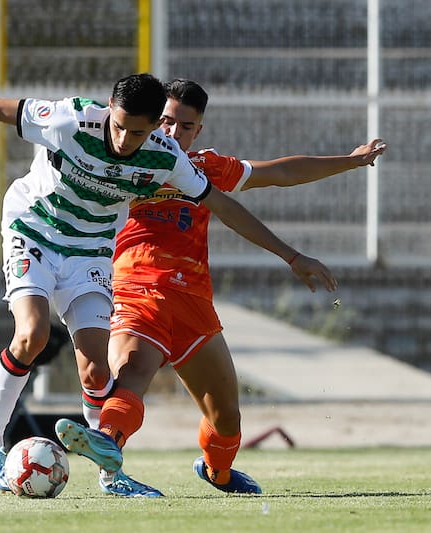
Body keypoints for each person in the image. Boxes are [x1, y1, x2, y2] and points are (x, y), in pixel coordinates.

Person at [0, 73, 334, 491]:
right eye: (120, 125)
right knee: (32, 334)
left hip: (90, 250)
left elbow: (223, 205)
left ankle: (111, 475)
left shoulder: (165, 155)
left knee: (94, 370)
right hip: (35, 231)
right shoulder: (68, 119)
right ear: (109, 109)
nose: (127, 139)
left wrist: (291, 256)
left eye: (139, 131)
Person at [57, 78, 386, 496]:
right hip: (138, 286)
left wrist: (352, 162)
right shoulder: (122, 164)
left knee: (226, 417)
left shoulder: (204, 168)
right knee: (134, 370)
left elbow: (281, 172)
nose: (173, 133)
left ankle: (218, 472)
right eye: (166, 123)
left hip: (193, 299)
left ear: (199, 131)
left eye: (185, 126)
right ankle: (108, 445)